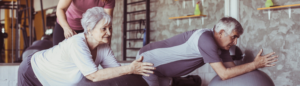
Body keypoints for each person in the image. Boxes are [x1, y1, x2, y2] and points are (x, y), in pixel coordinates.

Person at [18, 7, 155, 86]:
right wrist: (130, 68)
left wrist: (133, 69)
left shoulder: (103, 48)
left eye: (110, 28)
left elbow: (117, 71)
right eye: (104, 29)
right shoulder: (77, 43)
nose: (109, 33)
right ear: (89, 29)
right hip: (32, 71)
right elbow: (93, 76)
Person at [136, 17, 278, 86]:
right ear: (221, 32)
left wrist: (255, 64)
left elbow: (232, 71)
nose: (235, 42)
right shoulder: (206, 40)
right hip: (147, 62)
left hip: (165, 73)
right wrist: (254, 65)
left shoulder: (222, 46)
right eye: (234, 37)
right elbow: (224, 74)